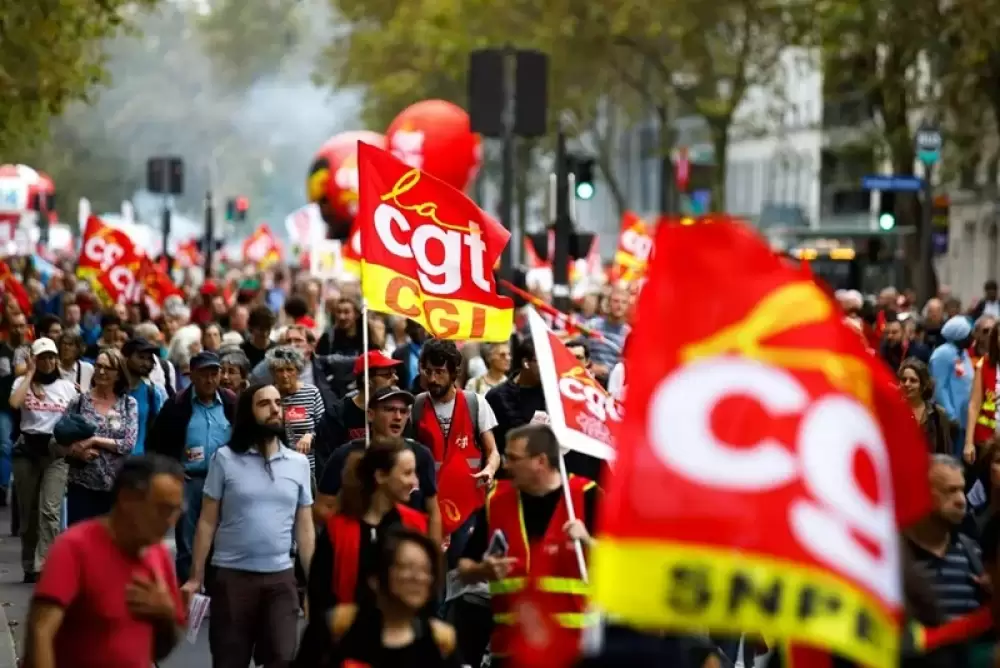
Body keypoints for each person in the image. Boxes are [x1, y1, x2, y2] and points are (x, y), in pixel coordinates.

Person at [183, 383, 315, 668]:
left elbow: (305, 530)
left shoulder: (298, 464)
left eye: (278, 403)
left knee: (282, 657)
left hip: (281, 579)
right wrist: (196, 576)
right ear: (248, 413)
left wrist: (314, 583)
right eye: (264, 404)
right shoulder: (224, 459)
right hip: (232, 579)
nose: (274, 410)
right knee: (230, 661)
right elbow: (207, 521)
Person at [22, 455, 187, 668]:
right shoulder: (74, 547)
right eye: (163, 509)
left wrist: (166, 615)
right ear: (127, 498)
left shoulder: (158, 556)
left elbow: (160, 651)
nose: (170, 521)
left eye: (176, 511)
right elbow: (40, 630)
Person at [458, 424, 599, 667]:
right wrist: (482, 570)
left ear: (540, 461)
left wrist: (589, 542)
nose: (506, 465)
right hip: (512, 651)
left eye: (513, 458)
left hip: (574, 652)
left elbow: (625, 567)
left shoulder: (587, 496)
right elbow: (463, 568)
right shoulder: (496, 502)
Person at [298, 437, 428, 666]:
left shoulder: (414, 525)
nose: (414, 482)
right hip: (348, 652)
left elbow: (427, 600)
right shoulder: (338, 529)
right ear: (381, 476)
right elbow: (321, 599)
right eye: (407, 473)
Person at [147, 351, 237, 582]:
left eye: (214, 373)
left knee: (223, 538)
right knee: (187, 542)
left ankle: (218, 592)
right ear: (192, 376)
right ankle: (188, 597)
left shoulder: (231, 402)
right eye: (203, 374)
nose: (210, 380)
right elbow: (155, 444)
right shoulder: (176, 405)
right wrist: (173, 468)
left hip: (225, 481)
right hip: (189, 481)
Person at [315, 386, 440, 541]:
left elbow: (433, 511)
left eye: (403, 411)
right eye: (389, 409)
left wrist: (434, 556)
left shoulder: (421, 455)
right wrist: (350, 532)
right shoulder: (346, 455)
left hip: (406, 549)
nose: (398, 417)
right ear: (371, 414)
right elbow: (321, 508)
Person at [324, 529, 461, 668]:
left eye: (426, 570)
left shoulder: (440, 642)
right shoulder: (340, 627)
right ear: (375, 578)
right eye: (407, 567)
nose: (418, 578)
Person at [10, 338, 78, 582]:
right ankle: (29, 563)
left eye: (52, 357)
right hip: (27, 451)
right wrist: (29, 375)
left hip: (56, 451)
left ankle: (45, 564)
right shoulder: (22, 382)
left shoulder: (68, 387)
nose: (48, 362)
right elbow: (14, 403)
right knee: (29, 514)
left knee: (50, 511)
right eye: (42, 357)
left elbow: (79, 415)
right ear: (34, 360)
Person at [65, 348, 138, 524]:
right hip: (81, 486)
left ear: (119, 374)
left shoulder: (128, 405)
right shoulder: (79, 401)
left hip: (114, 488)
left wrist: (94, 440)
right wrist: (76, 451)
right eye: (98, 366)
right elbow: (60, 438)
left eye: (108, 368)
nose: (101, 371)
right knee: (81, 544)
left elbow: (128, 444)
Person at [266, 345, 323, 473]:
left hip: (308, 466)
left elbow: (324, 428)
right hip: (277, 466)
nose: (285, 375)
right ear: (273, 373)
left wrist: (310, 435)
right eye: (280, 370)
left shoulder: (311, 393)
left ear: (298, 371)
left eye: (289, 369)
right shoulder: (268, 395)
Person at [897, 358, 955, 456]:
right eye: (903, 380)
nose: (907, 384)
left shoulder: (938, 414)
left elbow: (946, 454)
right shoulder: (893, 411)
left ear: (923, 385)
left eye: (913, 380)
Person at [121, 337, 167, 456]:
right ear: (126, 357)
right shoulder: (114, 389)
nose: (146, 363)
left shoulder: (152, 393)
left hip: (139, 460)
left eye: (149, 359)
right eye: (141, 357)